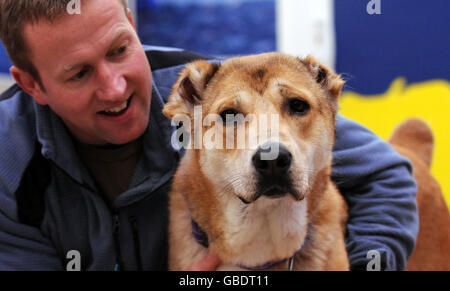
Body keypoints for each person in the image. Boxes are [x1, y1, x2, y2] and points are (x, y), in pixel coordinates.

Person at [0, 0, 418, 271]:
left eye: (119, 50)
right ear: (31, 84)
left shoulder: (218, 87)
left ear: (131, 23)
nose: (115, 88)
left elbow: (388, 175)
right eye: (79, 73)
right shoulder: (7, 165)